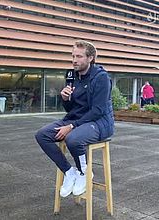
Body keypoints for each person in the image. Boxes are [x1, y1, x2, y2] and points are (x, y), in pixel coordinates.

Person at [35, 40, 114, 198]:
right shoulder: (71, 75)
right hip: (77, 119)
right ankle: (69, 172)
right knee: (42, 135)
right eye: (73, 56)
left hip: (99, 122)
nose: (74, 60)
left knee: (73, 139)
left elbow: (98, 110)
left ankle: (84, 173)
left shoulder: (101, 78)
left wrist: (71, 126)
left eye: (79, 56)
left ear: (90, 58)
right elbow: (71, 109)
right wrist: (65, 98)